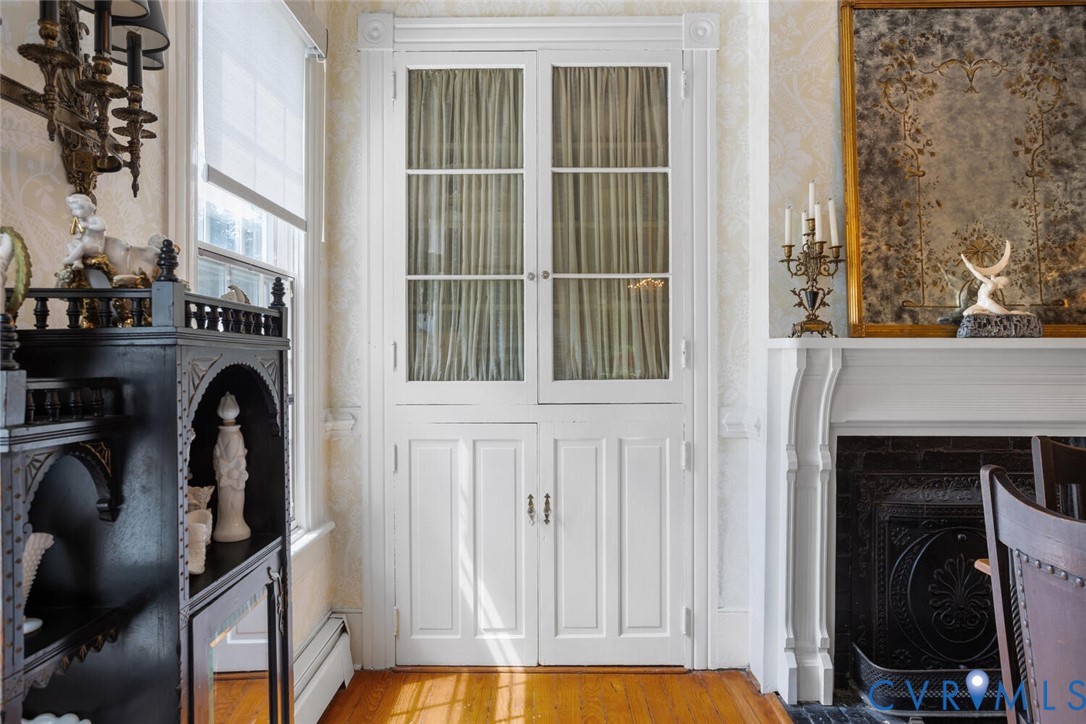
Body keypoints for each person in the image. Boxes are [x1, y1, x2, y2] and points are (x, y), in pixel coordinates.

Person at [63, 194, 106, 271]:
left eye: (78, 209)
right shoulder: (81, 220)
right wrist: (76, 229)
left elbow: (102, 227)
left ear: (88, 208)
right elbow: (78, 234)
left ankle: (70, 259)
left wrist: (88, 226)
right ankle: (77, 261)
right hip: (84, 243)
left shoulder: (95, 219)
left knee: (82, 246)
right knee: (71, 244)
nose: (75, 212)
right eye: (73, 209)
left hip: (96, 247)